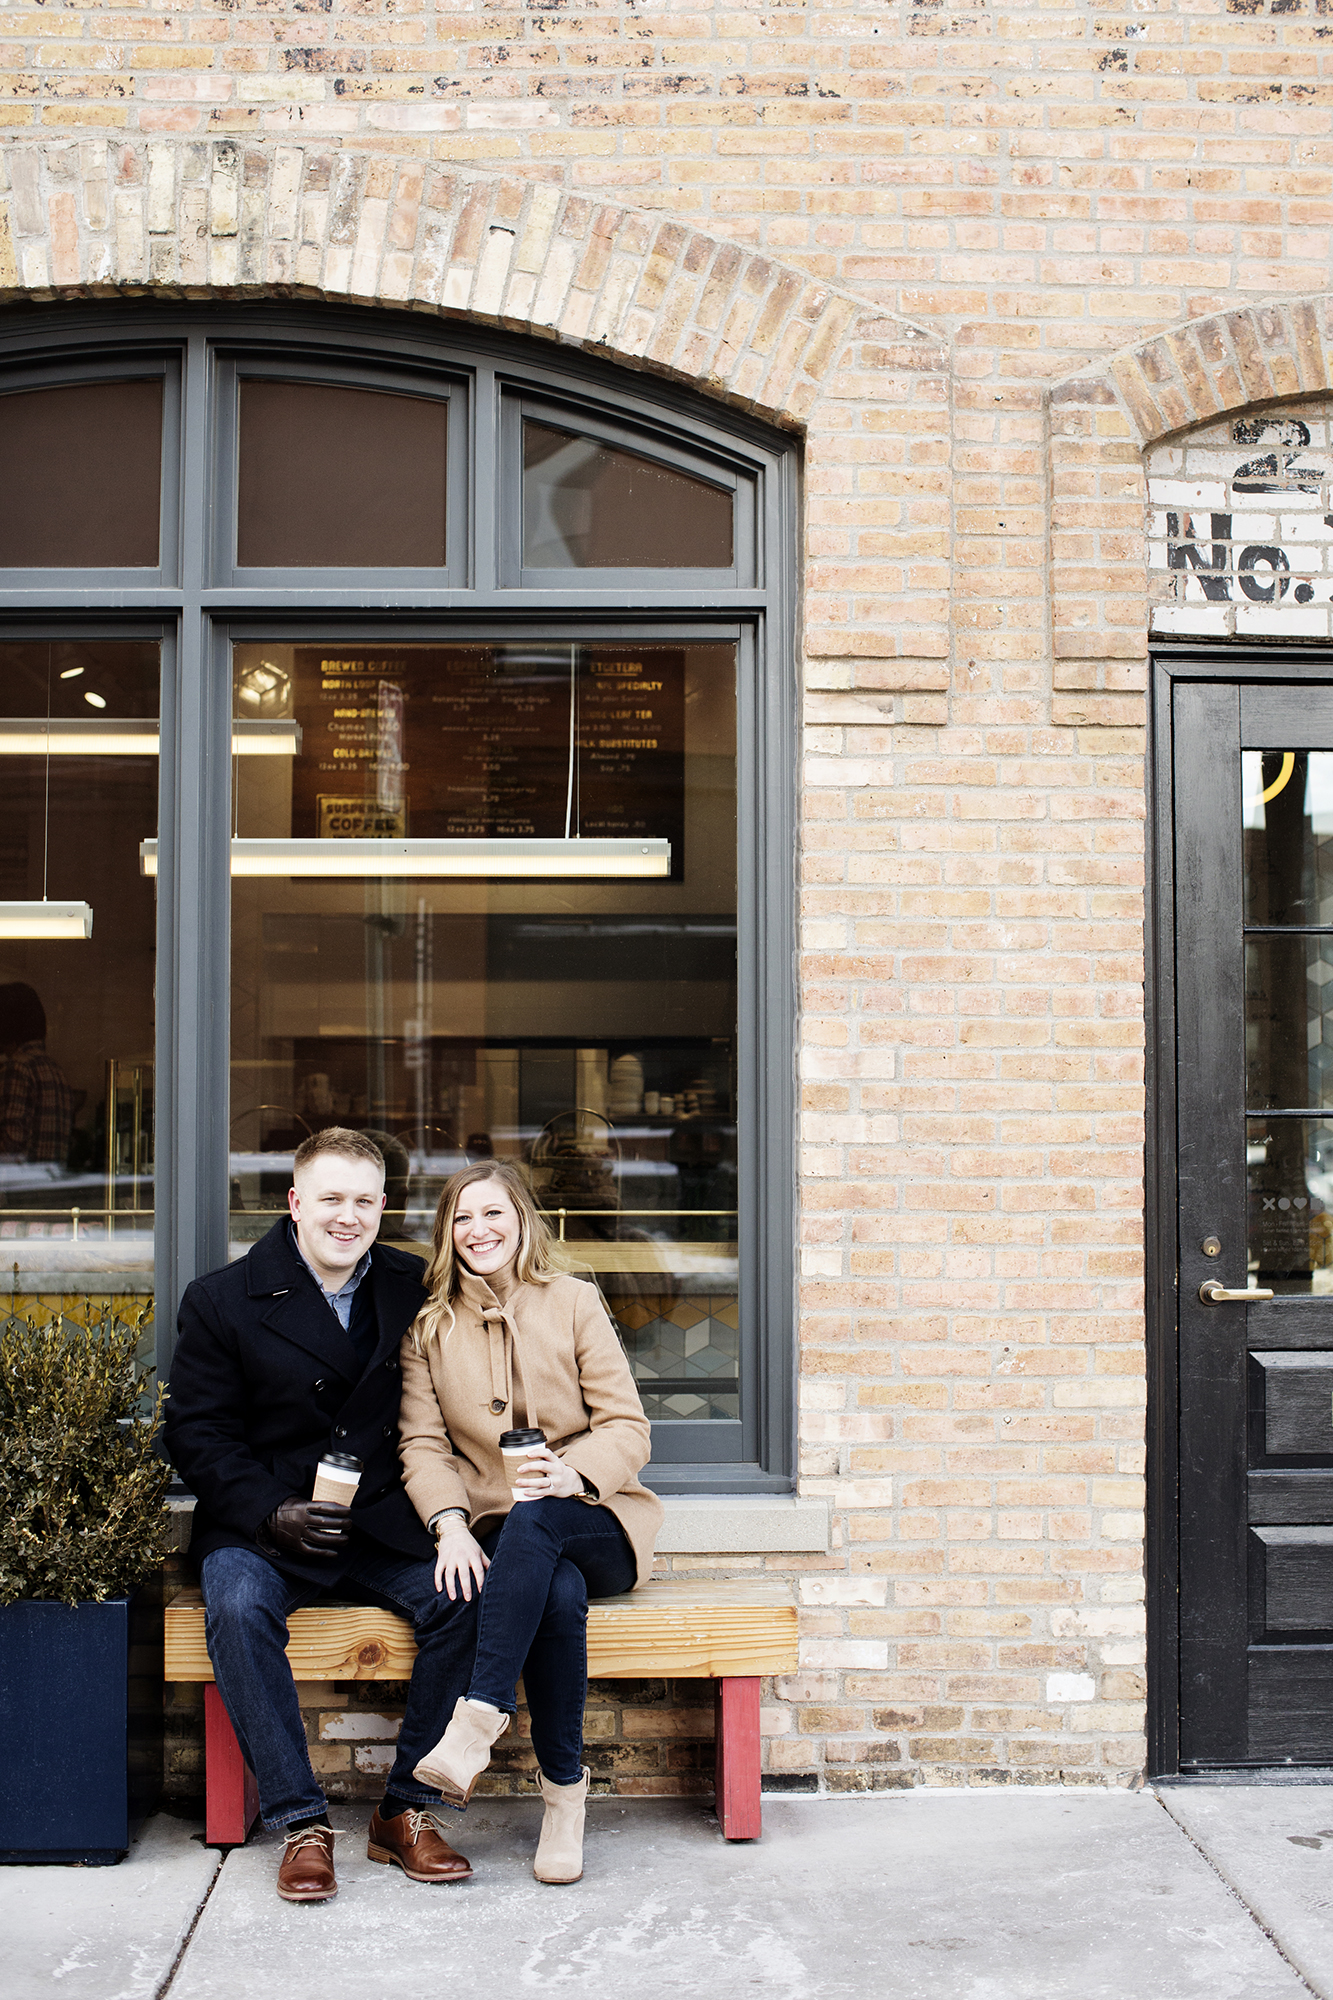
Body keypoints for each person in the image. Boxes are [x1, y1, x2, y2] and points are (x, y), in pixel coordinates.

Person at [164, 1127, 481, 1905]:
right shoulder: (220, 1298)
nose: (349, 1216)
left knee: (464, 1595)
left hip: (378, 1520)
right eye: (332, 1198)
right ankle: (301, 1822)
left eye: (365, 1201)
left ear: (383, 1206)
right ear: (295, 1203)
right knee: (234, 1604)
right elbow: (196, 1433)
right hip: (264, 1525)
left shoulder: (417, 1285)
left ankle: (407, 1811)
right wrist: (270, 1511)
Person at [397, 1158, 663, 1886]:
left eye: (493, 1214)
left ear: (520, 1221)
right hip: (499, 1531)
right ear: (446, 1234)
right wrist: (450, 1525)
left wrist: (575, 1473)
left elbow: (626, 1426)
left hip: (597, 1518)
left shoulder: (573, 1300)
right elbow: (422, 1445)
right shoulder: (428, 1327)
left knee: (541, 1517)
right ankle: (564, 1799)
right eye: (462, 1217)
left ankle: (476, 1721)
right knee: (555, 1594)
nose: (478, 1229)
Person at [0, 982, 73, 1171]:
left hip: (17, 1194)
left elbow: (10, 1145)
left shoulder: (17, 1067)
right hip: (45, 1191)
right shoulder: (55, 1070)